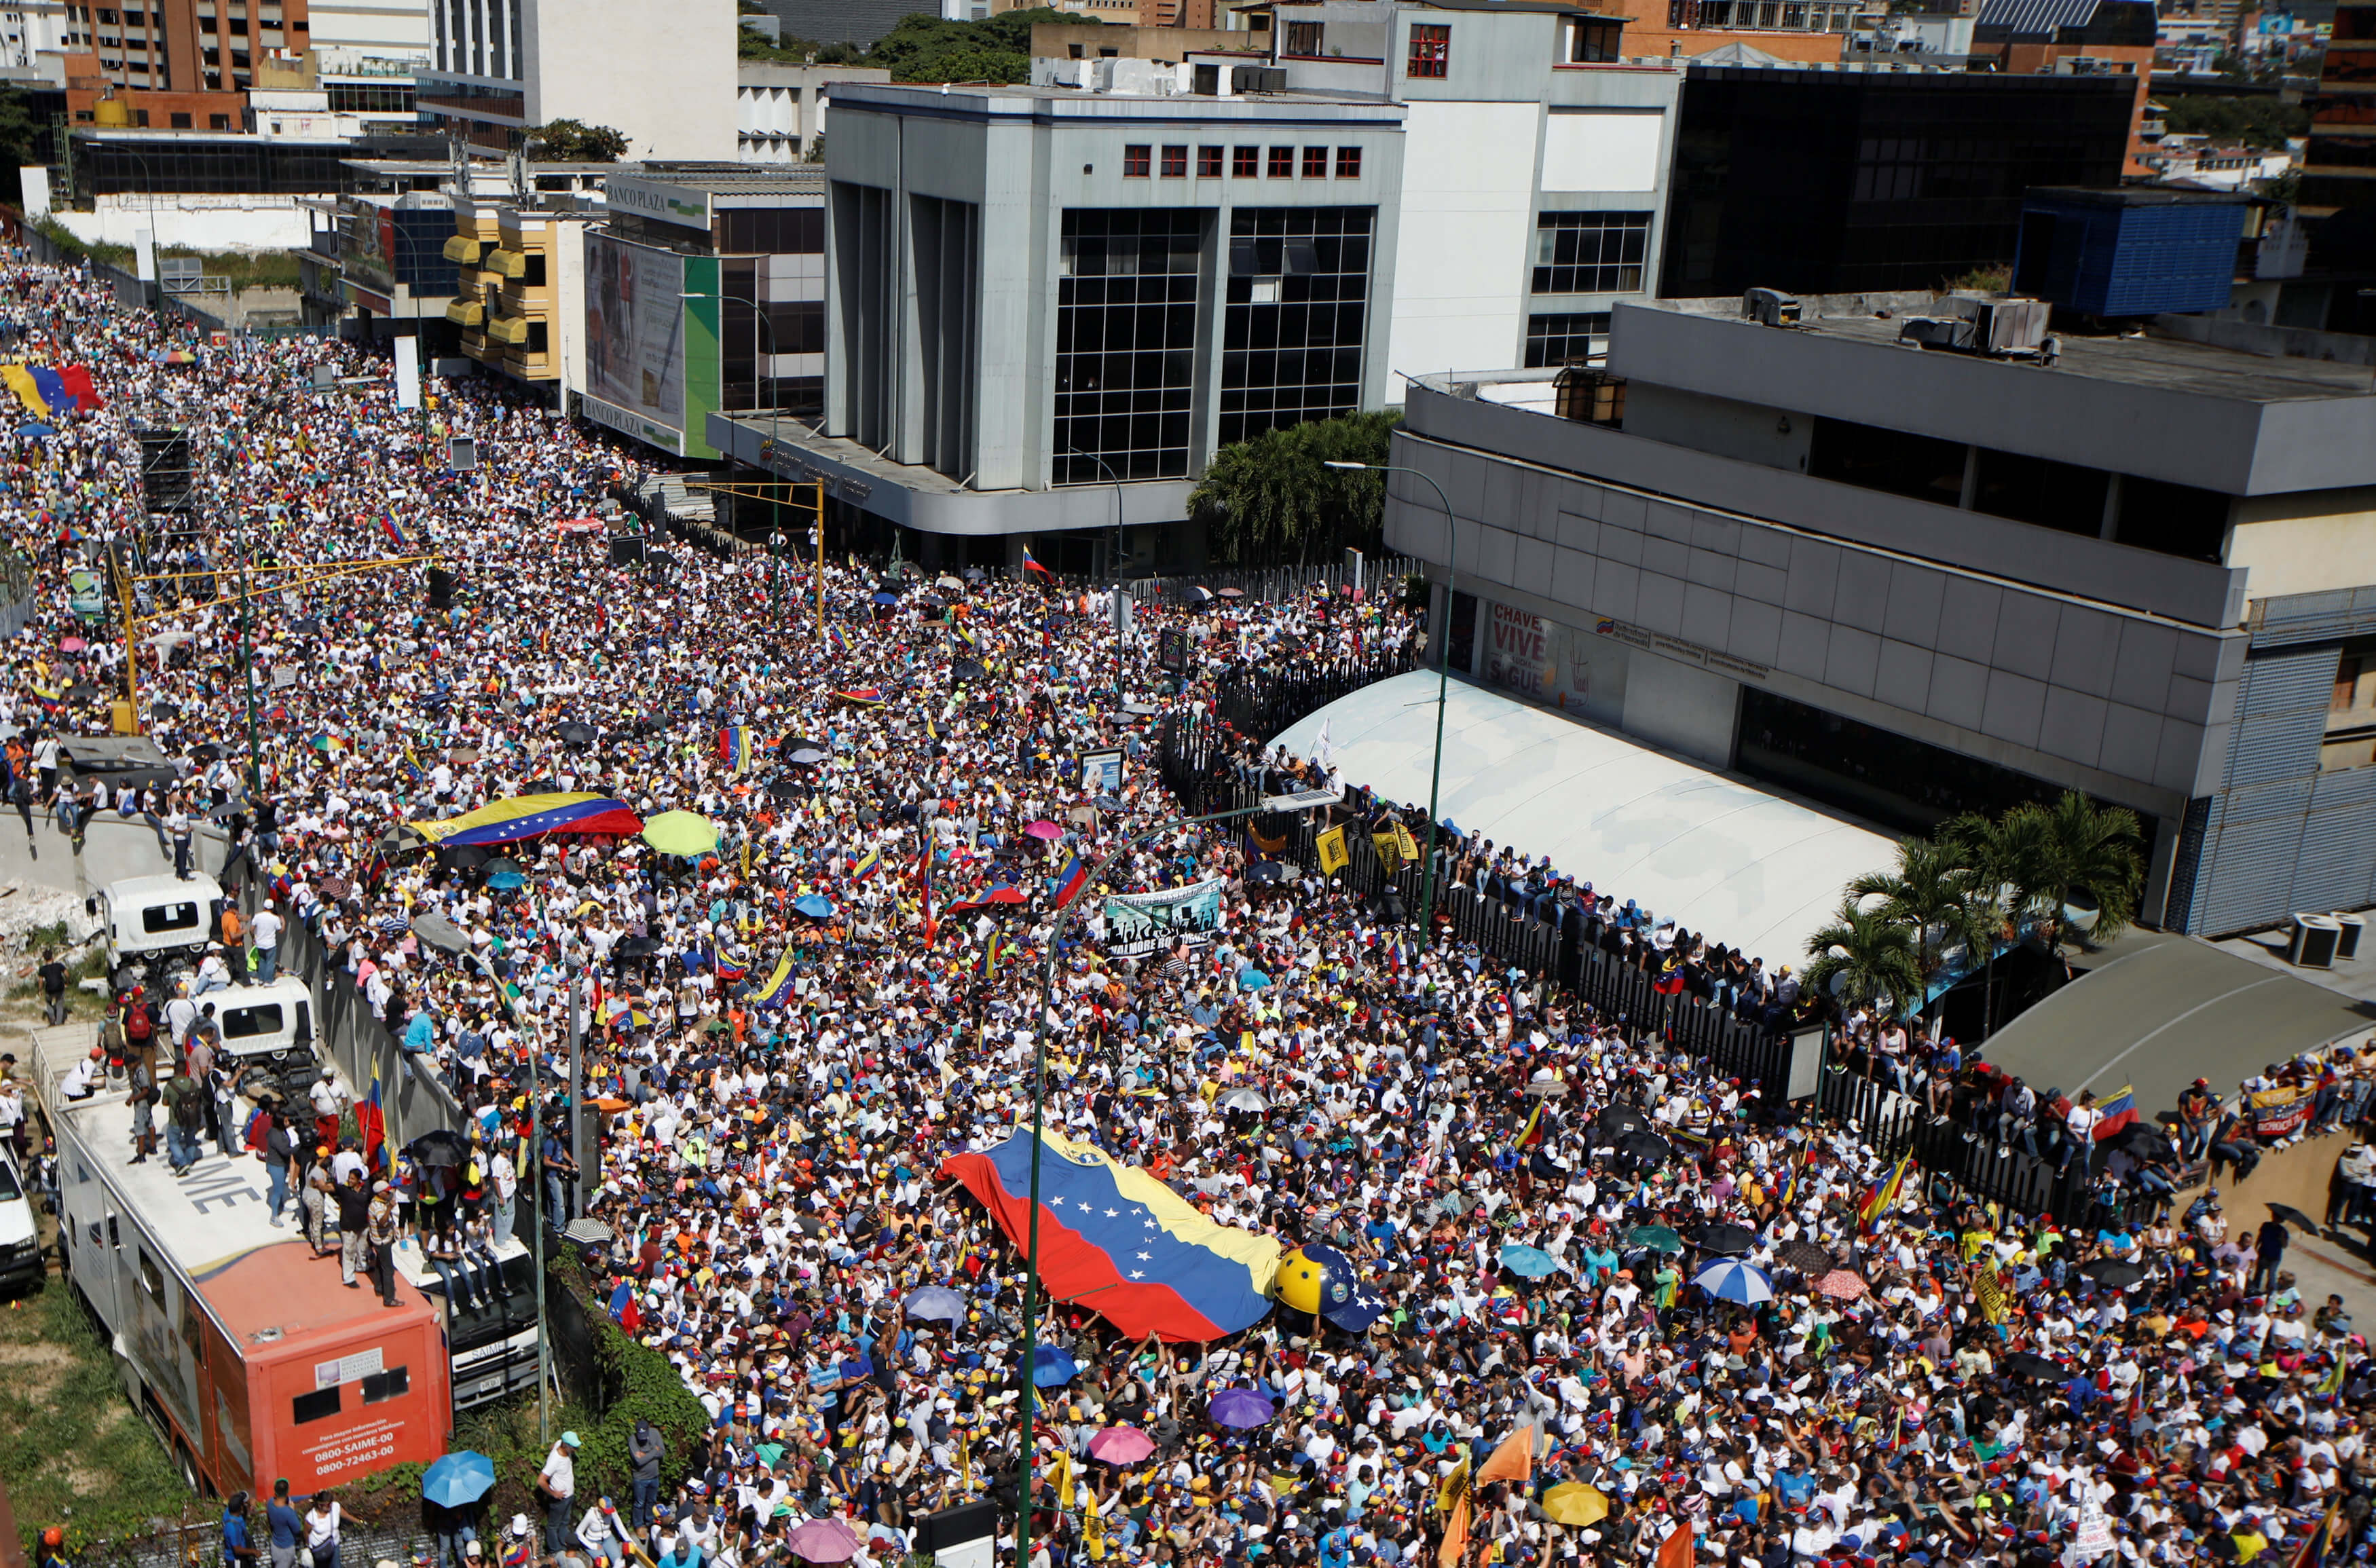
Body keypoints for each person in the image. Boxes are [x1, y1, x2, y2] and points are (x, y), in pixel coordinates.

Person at [538, 1433, 582, 1553]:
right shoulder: (555, 1460)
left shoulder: (559, 1444)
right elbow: (541, 1480)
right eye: (574, 1448)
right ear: (566, 1446)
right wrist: (553, 1493)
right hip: (559, 1500)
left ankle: (564, 1546)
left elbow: (553, 1445)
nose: (575, 1450)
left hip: (569, 1497)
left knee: (565, 1522)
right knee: (553, 1526)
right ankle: (555, 1551)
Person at [365, 1178, 401, 1306]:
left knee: (380, 1264)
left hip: (378, 1240)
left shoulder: (377, 1203)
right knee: (388, 1270)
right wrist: (390, 1207)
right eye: (386, 1191)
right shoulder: (378, 1207)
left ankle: (379, 1289)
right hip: (382, 1241)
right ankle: (389, 1298)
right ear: (380, 1193)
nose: (389, 1193)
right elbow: (383, 1221)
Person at [629, 1419, 664, 1531]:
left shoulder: (655, 1434)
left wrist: (645, 1455)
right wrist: (654, 1451)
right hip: (640, 1478)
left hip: (654, 1476)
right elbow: (639, 1461)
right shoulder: (632, 1440)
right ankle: (638, 1525)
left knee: (652, 1501)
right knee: (639, 1503)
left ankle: (650, 1521)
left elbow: (662, 1452)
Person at [263, 1481, 303, 1568]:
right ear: (288, 1491)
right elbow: (297, 1529)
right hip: (286, 1549)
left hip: (275, 1546)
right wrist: (292, 1511)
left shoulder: (270, 1503)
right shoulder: (288, 1512)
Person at [303, 1491, 341, 1568]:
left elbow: (346, 1515)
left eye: (331, 1504)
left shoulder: (335, 1507)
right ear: (320, 1505)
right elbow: (306, 1532)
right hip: (320, 1549)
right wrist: (308, 1546)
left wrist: (360, 1522)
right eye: (328, 1505)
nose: (331, 1506)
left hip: (334, 1545)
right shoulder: (311, 1517)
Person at [222, 1494, 259, 1568]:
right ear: (241, 1508)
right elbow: (237, 1550)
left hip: (241, 1559)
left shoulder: (232, 1515)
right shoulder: (233, 1527)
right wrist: (254, 1551)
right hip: (236, 1561)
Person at [37, 947, 67, 1027]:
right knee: (59, 1005)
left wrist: (40, 990)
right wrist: (67, 982)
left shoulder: (43, 969)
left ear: (44, 959)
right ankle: (59, 1022)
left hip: (49, 990)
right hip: (60, 988)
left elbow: (41, 981)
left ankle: (52, 1019)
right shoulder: (59, 965)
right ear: (52, 957)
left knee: (49, 1003)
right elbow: (67, 974)